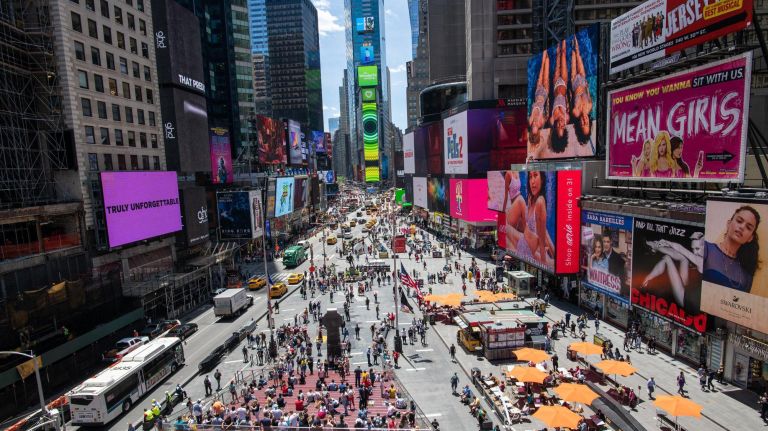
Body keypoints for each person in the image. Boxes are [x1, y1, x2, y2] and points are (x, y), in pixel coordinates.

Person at [703, 205, 761, 293]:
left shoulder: (747, 272)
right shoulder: (706, 248)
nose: (742, 227)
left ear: (750, 238)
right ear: (728, 223)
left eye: (748, 227)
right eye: (739, 221)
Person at [640, 232, 704, 307]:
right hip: (689, 290)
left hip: (685, 299)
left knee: (667, 258)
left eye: (697, 249)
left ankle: (654, 247)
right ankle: (654, 246)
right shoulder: (706, 259)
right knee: (684, 258)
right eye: (693, 249)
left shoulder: (702, 262)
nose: (695, 252)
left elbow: (681, 249)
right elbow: (682, 252)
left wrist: (667, 242)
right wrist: (667, 244)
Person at [570, 36, 593, 147]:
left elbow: (569, 98)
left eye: (583, 124)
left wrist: (574, 92)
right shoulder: (589, 106)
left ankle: (571, 43)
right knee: (578, 55)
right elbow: (588, 93)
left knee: (573, 56)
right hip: (583, 80)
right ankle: (576, 39)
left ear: (579, 125)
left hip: (574, 81)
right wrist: (587, 87)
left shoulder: (576, 112)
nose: (585, 120)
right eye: (587, 123)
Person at [528, 50, 550, 147]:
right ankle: (548, 54)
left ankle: (545, 53)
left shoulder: (530, 120)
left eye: (533, 126)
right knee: (547, 71)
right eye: (536, 126)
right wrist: (548, 98)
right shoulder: (542, 122)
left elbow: (529, 106)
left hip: (537, 93)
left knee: (541, 70)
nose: (535, 124)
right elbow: (548, 111)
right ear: (538, 130)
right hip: (544, 93)